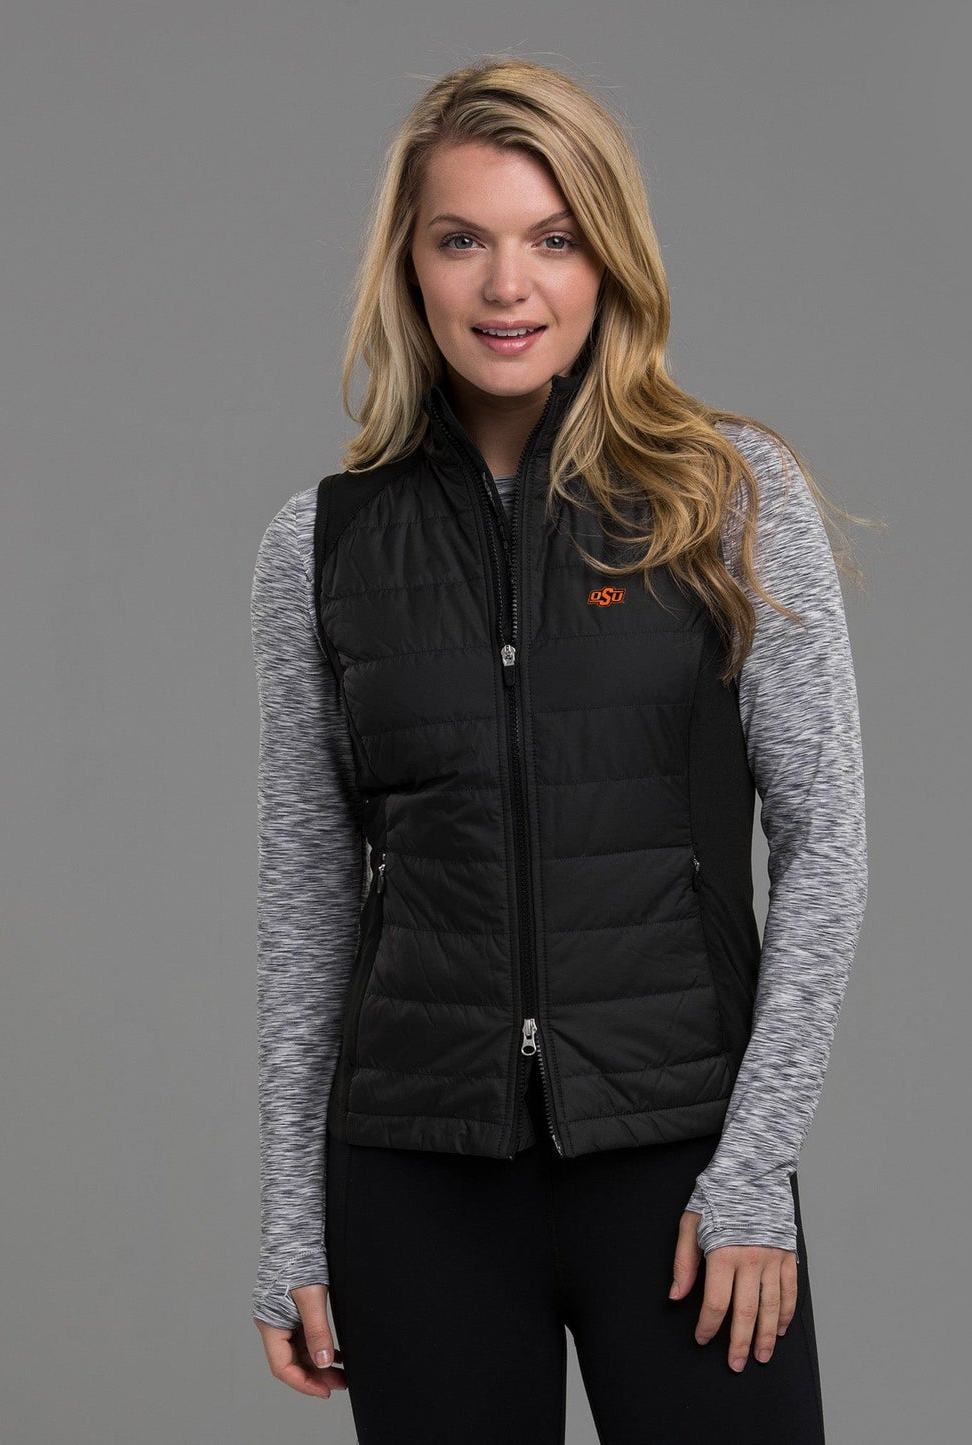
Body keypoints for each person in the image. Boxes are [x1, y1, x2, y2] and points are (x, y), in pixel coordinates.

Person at [250, 55, 869, 1445]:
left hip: (681, 1164)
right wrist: (293, 1213)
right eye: (460, 239)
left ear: (609, 261)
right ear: (407, 266)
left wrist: (753, 1171)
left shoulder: (725, 498)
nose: (506, 286)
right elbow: (307, 895)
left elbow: (825, 847)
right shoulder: (321, 546)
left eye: (552, 238)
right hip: (416, 1178)